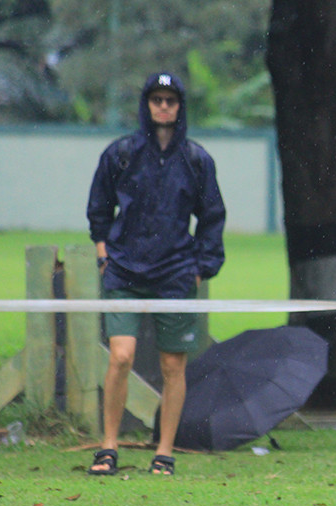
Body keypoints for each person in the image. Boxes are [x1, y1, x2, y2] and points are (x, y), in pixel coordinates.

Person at [85, 72, 226, 477]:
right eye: (156, 99)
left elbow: (212, 217)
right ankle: (108, 446)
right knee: (121, 357)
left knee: (172, 366)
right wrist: (102, 253)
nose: (163, 106)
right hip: (124, 270)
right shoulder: (121, 153)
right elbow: (99, 207)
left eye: (170, 100)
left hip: (176, 275)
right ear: (146, 104)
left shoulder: (197, 160)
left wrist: (202, 268)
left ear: (180, 106)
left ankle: (165, 451)